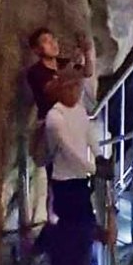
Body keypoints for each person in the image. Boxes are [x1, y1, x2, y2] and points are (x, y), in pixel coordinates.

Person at [42, 73, 98, 226]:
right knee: (70, 219)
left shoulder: (79, 110)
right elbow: (67, 150)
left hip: (80, 176)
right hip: (63, 178)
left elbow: (89, 133)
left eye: (77, 87)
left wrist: (99, 155)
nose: (75, 92)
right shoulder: (54, 116)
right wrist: (93, 169)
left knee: (86, 217)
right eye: (70, 88)